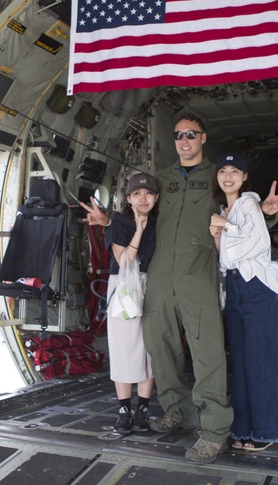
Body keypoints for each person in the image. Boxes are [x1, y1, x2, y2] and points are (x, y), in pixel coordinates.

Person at [82, 113, 278, 464]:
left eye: (192, 134)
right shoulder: (161, 179)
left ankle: (214, 429)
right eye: (178, 135)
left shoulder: (217, 177)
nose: (184, 140)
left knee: (206, 351)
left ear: (203, 138)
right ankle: (178, 411)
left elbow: (241, 214)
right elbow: (139, 209)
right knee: (158, 343)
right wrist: (110, 219)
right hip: (161, 272)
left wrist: (267, 214)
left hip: (200, 271)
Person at [209, 152, 278, 453]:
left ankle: (265, 431)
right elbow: (224, 258)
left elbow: (259, 244)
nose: (228, 176)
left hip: (259, 289)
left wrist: (225, 228)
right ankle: (242, 428)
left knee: (261, 362)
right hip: (235, 287)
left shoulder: (249, 204)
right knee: (241, 363)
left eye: (235, 171)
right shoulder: (223, 209)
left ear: (244, 178)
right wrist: (219, 232)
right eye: (223, 171)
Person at [104, 172, 159, 434]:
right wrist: (138, 231)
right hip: (124, 286)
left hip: (151, 285)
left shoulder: (161, 223)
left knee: (148, 348)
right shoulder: (119, 223)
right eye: (137, 193)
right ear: (128, 198)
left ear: (156, 197)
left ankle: (143, 409)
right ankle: (124, 409)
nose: (143, 198)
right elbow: (125, 261)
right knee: (123, 348)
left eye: (148, 193)